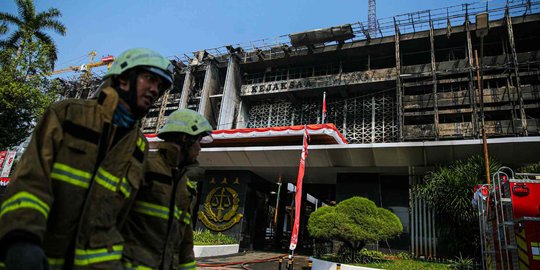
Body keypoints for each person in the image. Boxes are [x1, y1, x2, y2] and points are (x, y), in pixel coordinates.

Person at [0, 48, 174, 269]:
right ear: (122, 78)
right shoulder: (67, 114)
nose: (154, 90)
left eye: (160, 86)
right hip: (38, 257)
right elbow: (31, 182)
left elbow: (126, 217)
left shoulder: (139, 146)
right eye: (150, 79)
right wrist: (21, 239)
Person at [121, 109, 213, 270]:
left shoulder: (185, 185)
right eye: (198, 141)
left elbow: (185, 241)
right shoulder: (142, 167)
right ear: (185, 139)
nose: (200, 148)